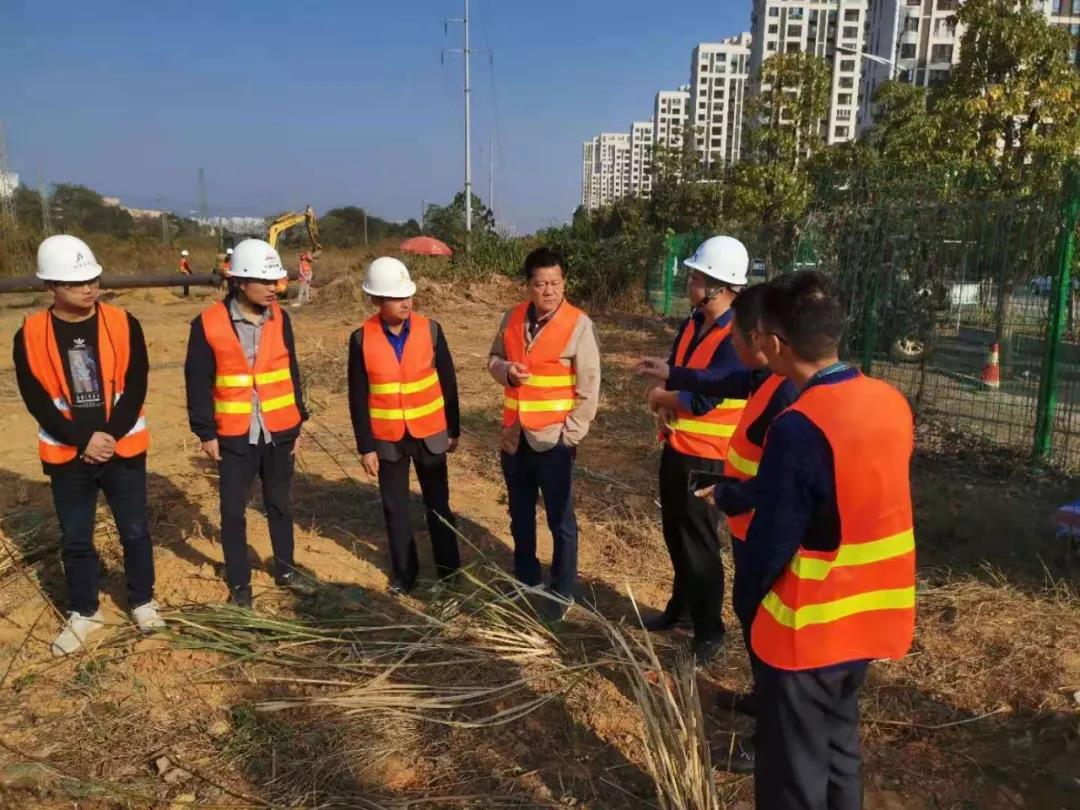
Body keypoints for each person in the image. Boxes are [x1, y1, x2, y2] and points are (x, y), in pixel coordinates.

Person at [747, 271, 916, 809]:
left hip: (809, 629)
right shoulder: (891, 401)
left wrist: (747, 606)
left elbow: (771, 544)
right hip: (871, 618)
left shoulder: (798, 425)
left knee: (794, 775)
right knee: (841, 751)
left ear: (776, 345)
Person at [13, 235, 162, 656]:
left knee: (135, 532)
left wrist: (109, 435)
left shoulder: (123, 322)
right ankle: (84, 611)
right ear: (51, 287)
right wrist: (83, 439)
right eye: (76, 282)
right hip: (69, 455)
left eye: (93, 278)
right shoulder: (30, 334)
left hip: (123, 450)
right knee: (76, 538)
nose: (89, 288)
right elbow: (37, 399)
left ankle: (142, 601)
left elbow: (136, 384)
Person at [184, 238, 316, 607]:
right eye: (265, 281)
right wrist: (205, 432)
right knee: (232, 512)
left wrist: (298, 420)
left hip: (278, 429)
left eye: (276, 281)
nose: (275, 288)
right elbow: (197, 380)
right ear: (240, 281)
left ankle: (287, 570)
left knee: (280, 505)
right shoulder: (207, 324)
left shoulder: (281, 318)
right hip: (234, 433)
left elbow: (290, 371)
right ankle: (240, 585)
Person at [636, 235, 747, 664]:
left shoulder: (735, 336)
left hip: (710, 457)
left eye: (696, 276)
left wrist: (660, 400)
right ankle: (680, 610)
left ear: (717, 285)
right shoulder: (695, 322)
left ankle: (709, 631)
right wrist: (664, 391)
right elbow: (677, 368)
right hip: (679, 446)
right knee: (675, 532)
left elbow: (703, 398)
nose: (689, 282)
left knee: (699, 541)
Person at [488, 246, 601, 622]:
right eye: (540, 284)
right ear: (528, 286)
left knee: (560, 521)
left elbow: (589, 386)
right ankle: (526, 579)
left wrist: (571, 435)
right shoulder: (512, 317)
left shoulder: (578, 324)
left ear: (563, 282)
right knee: (520, 515)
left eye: (555, 282)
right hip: (515, 437)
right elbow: (492, 359)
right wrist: (505, 369)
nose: (548, 290)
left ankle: (563, 589)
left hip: (554, 441)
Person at [348, 257, 461, 593]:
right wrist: (366, 446)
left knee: (438, 505)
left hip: (430, 434)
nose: (406, 303)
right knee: (394, 508)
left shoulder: (432, 330)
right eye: (397, 298)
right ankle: (404, 574)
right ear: (376, 301)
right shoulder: (360, 340)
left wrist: (453, 429)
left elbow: (449, 383)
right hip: (388, 439)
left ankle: (450, 572)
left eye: (408, 296)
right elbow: (357, 397)